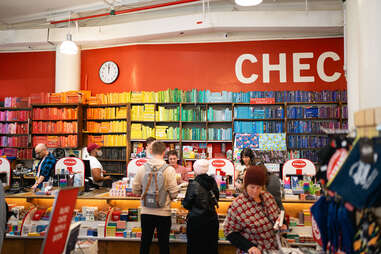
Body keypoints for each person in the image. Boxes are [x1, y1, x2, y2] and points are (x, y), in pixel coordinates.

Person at [132, 142, 179, 254]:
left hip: (146, 211)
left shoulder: (142, 168)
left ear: (151, 151)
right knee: (164, 245)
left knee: (145, 243)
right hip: (163, 212)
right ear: (164, 153)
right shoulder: (169, 170)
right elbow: (174, 193)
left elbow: (135, 190)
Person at [224, 165, 281, 253]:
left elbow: (278, 216)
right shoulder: (238, 204)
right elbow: (229, 231)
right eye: (252, 187)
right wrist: (249, 247)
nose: (255, 191)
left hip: (273, 249)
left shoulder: (268, 197)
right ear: (246, 185)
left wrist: (282, 223)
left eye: (259, 187)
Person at [182, 159, 219, 254]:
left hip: (196, 222)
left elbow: (187, 204)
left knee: (194, 248)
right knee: (211, 248)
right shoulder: (213, 182)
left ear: (195, 170)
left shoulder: (193, 184)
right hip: (212, 220)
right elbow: (216, 198)